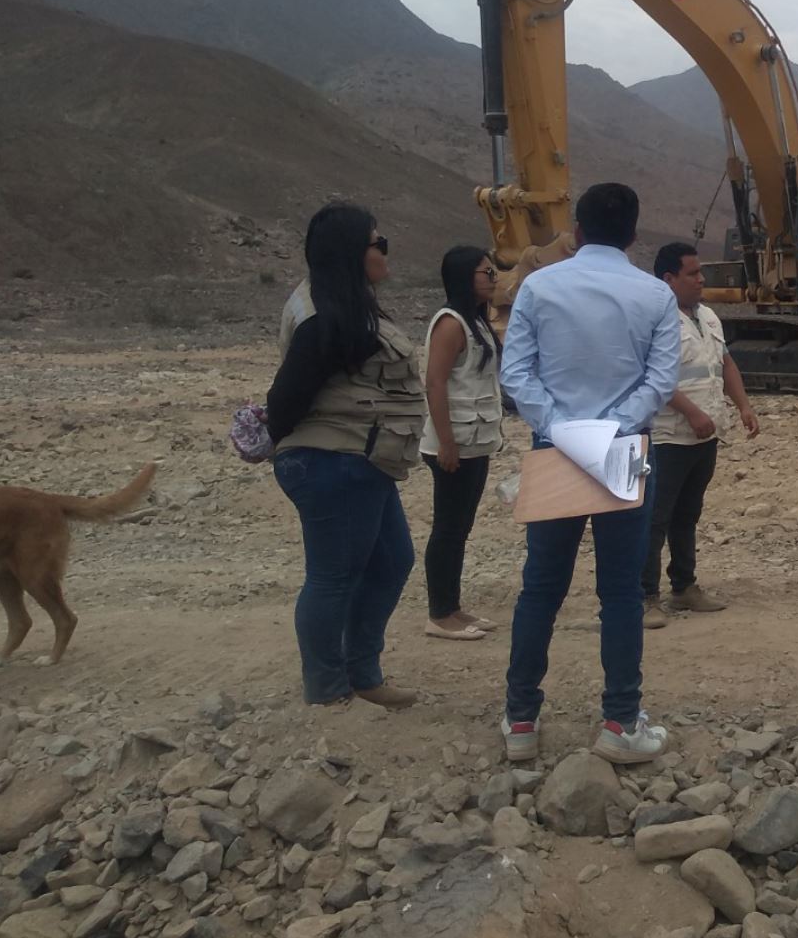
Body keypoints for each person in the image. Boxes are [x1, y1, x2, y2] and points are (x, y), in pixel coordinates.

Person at [498, 183, 681, 765]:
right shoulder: (655, 295)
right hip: (624, 448)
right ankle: (620, 722)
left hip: (554, 447)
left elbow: (517, 372)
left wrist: (559, 429)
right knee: (621, 592)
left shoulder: (538, 285)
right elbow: (659, 381)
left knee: (541, 587)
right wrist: (611, 430)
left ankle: (521, 720)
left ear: (576, 231)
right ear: (633, 233)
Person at [265, 203, 425, 708]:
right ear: (352, 252)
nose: (384, 252)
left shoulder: (347, 307)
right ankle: (329, 688)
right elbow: (283, 401)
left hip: (362, 462)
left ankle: (362, 674)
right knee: (334, 576)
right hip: (335, 462)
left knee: (392, 561)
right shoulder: (324, 319)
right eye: (379, 243)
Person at [642, 242, 760, 629]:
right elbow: (653, 379)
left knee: (687, 514)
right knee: (655, 517)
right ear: (668, 279)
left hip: (705, 435)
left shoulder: (708, 316)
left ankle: (683, 587)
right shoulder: (654, 321)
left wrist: (743, 406)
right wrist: (692, 413)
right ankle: (645, 597)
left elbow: (725, 363)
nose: (701, 280)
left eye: (700, 273)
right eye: (692, 274)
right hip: (667, 436)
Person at [419, 246, 505, 641]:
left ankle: (453, 607)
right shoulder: (451, 323)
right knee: (448, 528)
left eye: (493, 271)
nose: (493, 278)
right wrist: (447, 443)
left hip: (476, 441)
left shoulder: (478, 322)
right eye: (485, 272)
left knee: (461, 526)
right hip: (454, 444)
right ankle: (439, 613)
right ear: (462, 276)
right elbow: (435, 382)